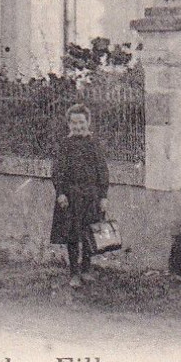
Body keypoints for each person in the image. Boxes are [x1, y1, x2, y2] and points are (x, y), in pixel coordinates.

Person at [50, 104, 109, 288]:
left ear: (88, 122)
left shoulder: (94, 144)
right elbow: (57, 171)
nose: (78, 126)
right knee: (72, 235)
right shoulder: (65, 145)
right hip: (71, 197)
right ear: (68, 124)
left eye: (81, 122)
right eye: (74, 123)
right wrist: (60, 193)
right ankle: (74, 273)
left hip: (91, 195)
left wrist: (103, 196)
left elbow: (102, 171)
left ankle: (86, 269)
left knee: (90, 233)